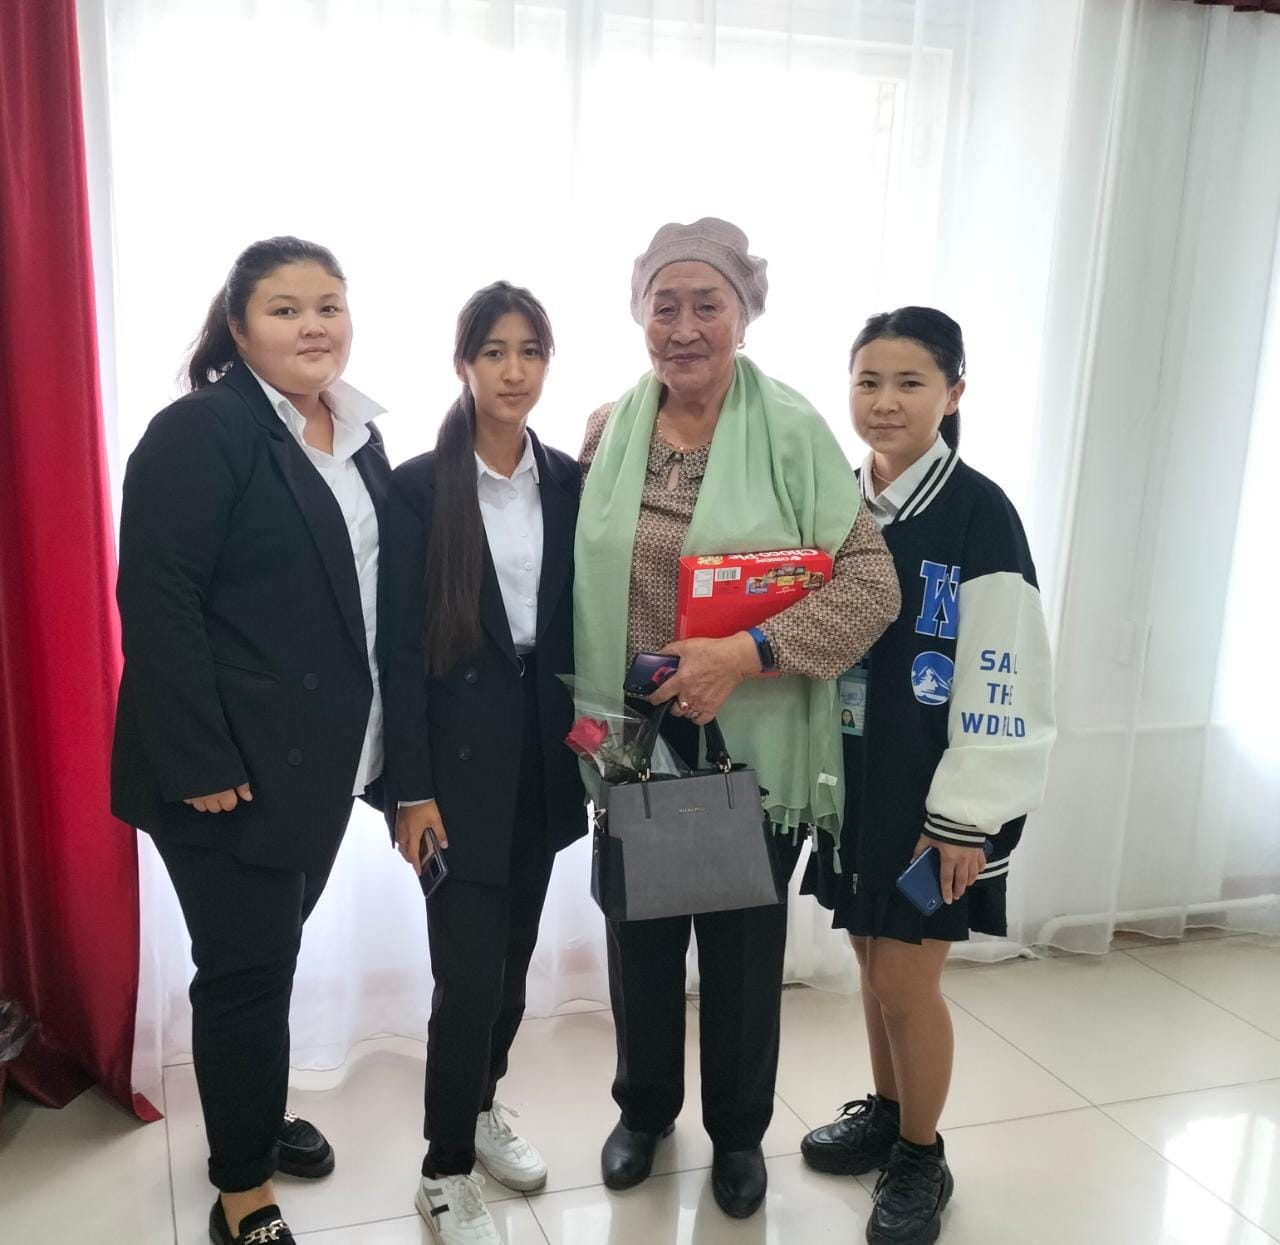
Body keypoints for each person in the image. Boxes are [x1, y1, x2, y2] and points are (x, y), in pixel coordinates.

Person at [574, 218, 900, 1219]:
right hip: (633, 747)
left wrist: (745, 654)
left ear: (744, 315)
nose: (683, 328)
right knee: (638, 946)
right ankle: (643, 1112)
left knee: (743, 959)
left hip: (751, 750)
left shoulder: (794, 431)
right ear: (640, 317)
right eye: (662, 306)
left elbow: (870, 587)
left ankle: (738, 1135)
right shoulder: (606, 429)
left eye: (705, 305)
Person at [112, 237, 391, 1245]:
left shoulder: (356, 431)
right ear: (237, 326)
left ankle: (253, 1113)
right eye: (285, 308)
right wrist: (200, 760)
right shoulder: (201, 430)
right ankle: (241, 1192)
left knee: (268, 957)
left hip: (320, 762)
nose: (314, 325)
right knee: (245, 971)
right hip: (226, 773)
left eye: (329, 304)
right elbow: (157, 598)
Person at [800, 307, 1056, 1245]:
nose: (885, 401)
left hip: (936, 797)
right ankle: (887, 1108)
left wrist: (963, 817)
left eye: (910, 382)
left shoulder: (980, 512)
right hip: (857, 786)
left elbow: (1005, 671)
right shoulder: (839, 501)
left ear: (953, 393)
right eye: (868, 380)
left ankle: (921, 1153)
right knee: (872, 962)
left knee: (908, 980)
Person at [383, 281, 586, 1245]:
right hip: (452, 777)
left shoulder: (571, 482)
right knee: (464, 979)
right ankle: (443, 1167)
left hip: (541, 764)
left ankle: (479, 1105)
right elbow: (398, 651)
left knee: (508, 971)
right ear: (463, 363)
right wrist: (410, 789)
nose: (514, 371)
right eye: (495, 351)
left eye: (530, 351)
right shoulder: (419, 486)